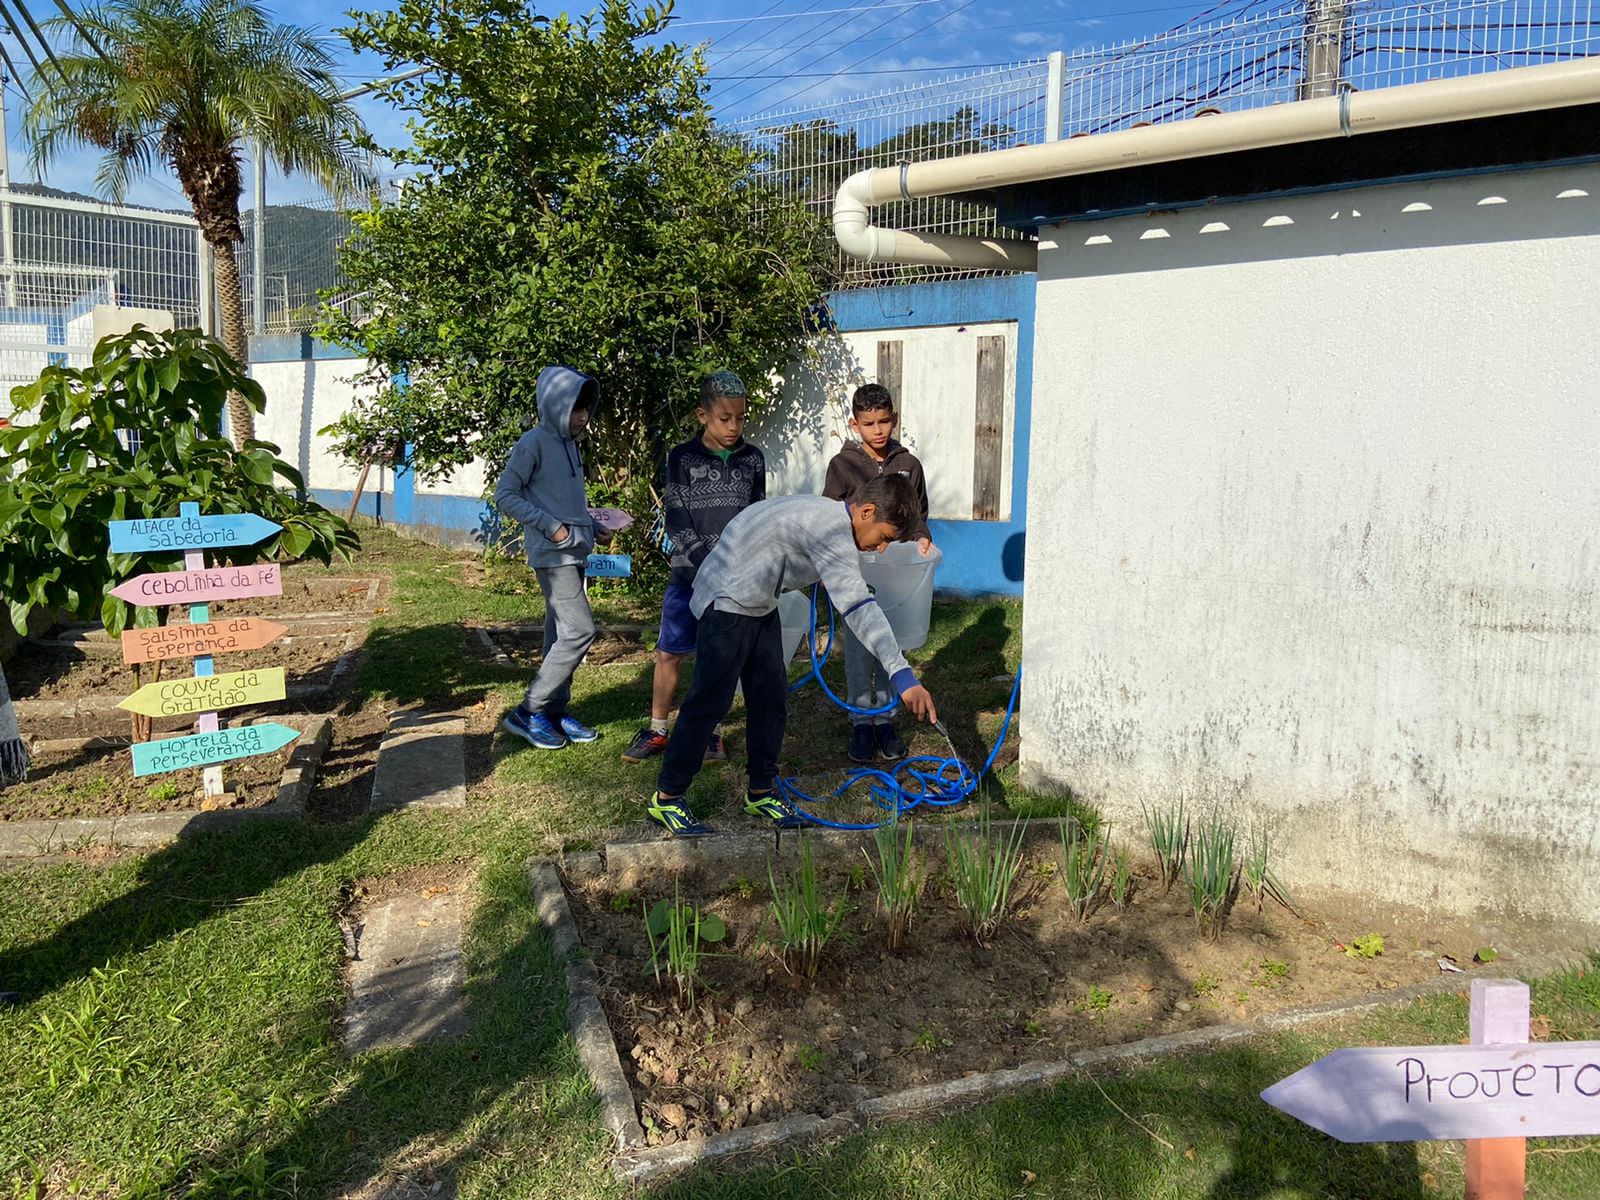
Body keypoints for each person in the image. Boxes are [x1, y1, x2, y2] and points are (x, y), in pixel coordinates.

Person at [646, 475, 940, 837]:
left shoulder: (831, 519)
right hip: (726, 601)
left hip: (760, 600)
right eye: (883, 539)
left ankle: (761, 791)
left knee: (770, 700)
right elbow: (859, 605)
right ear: (866, 512)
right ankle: (668, 796)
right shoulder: (829, 530)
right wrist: (902, 675)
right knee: (709, 702)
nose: (879, 549)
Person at [623, 371, 766, 766]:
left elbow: (756, 515)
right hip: (689, 575)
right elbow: (676, 515)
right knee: (670, 651)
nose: (734, 426)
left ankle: (710, 733)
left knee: (718, 657)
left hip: (732, 582)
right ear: (702, 415)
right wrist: (707, 561)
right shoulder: (681, 458)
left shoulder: (753, 459)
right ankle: (657, 729)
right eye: (725, 418)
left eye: (741, 418)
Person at [822, 382, 934, 764]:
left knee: (892, 641)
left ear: (895, 419)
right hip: (857, 572)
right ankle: (861, 721)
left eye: (885, 421)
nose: (878, 430)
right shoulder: (843, 466)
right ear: (855, 424)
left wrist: (918, 540)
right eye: (869, 424)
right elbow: (830, 521)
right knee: (858, 648)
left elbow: (918, 518)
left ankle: (885, 720)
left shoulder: (909, 466)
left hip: (897, 574)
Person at [495, 365, 604, 751]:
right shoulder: (534, 442)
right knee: (580, 631)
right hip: (553, 555)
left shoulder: (571, 445)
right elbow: (505, 494)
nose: (583, 416)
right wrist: (551, 526)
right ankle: (529, 710)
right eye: (576, 408)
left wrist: (592, 526)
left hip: (574, 550)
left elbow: (565, 502)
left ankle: (553, 712)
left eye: (586, 409)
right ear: (556, 406)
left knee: (559, 632)